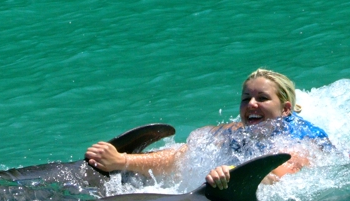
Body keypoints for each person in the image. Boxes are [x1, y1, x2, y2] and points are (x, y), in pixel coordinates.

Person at [85, 69, 331, 190]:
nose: (251, 104)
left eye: (262, 99)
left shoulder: (298, 140)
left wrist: (238, 171)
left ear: (286, 109)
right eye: (246, 98)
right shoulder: (236, 132)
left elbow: (280, 172)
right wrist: (122, 160)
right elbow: (183, 154)